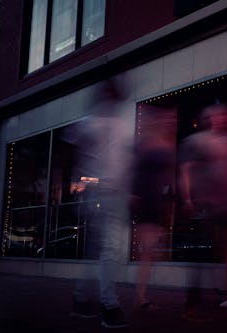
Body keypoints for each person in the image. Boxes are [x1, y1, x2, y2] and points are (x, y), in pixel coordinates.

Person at [65, 79, 133, 328]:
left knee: (98, 250)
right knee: (107, 249)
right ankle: (109, 305)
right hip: (100, 193)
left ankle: (82, 299)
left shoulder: (100, 125)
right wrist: (79, 183)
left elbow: (124, 163)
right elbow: (76, 155)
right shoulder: (93, 125)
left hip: (110, 194)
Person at [178, 102, 227, 322]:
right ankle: (192, 305)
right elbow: (186, 171)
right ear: (209, 119)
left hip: (225, 206)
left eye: (226, 115)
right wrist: (188, 199)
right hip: (204, 204)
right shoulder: (198, 142)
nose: (223, 118)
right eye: (218, 115)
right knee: (199, 253)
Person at [131, 110, 176, 312]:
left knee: (148, 253)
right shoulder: (148, 145)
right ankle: (140, 298)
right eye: (166, 120)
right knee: (147, 253)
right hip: (147, 202)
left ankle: (141, 296)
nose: (170, 123)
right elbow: (135, 171)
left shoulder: (159, 146)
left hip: (155, 203)